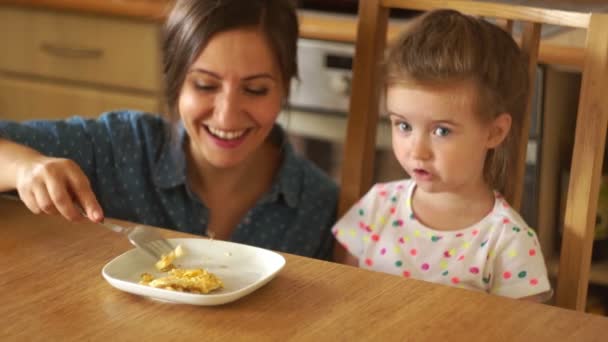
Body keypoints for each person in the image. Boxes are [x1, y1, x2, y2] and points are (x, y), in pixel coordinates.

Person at [0, 0, 338, 260]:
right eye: (205, 85)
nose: (227, 115)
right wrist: (25, 168)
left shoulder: (318, 205)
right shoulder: (120, 146)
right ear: (175, 85)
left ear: (285, 89)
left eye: (255, 90)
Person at [332, 9, 551, 299]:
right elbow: (345, 298)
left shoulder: (508, 242)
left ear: (494, 132)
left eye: (442, 131)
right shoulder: (376, 207)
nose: (417, 151)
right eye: (403, 125)